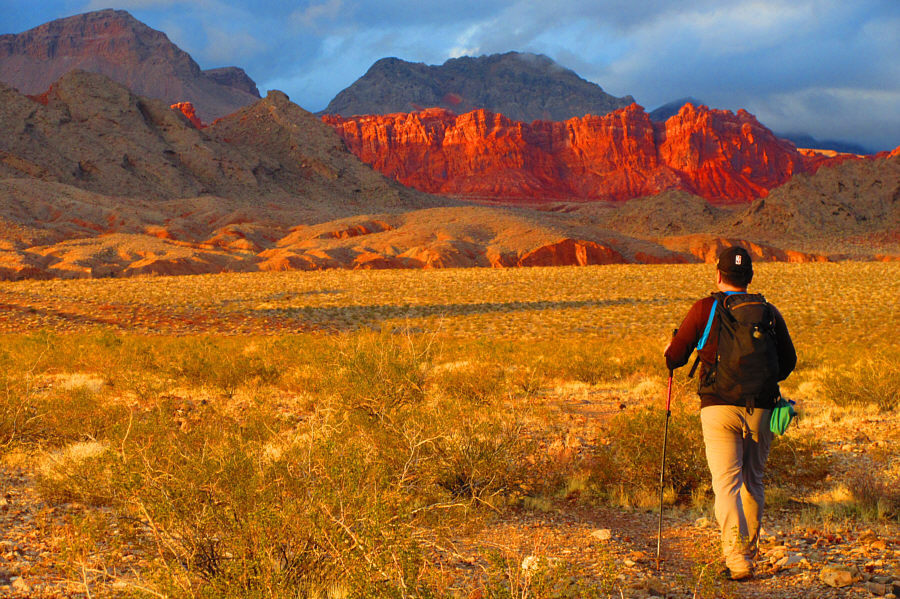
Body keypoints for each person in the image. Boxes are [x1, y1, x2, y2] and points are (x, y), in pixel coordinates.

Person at [664, 247, 796, 581]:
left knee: (727, 485)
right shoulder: (768, 312)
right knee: (753, 480)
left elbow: (676, 357)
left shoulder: (705, 308)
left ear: (718, 275)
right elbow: (788, 362)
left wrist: (669, 351)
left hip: (718, 406)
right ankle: (747, 554)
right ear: (750, 277)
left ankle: (737, 561)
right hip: (762, 408)